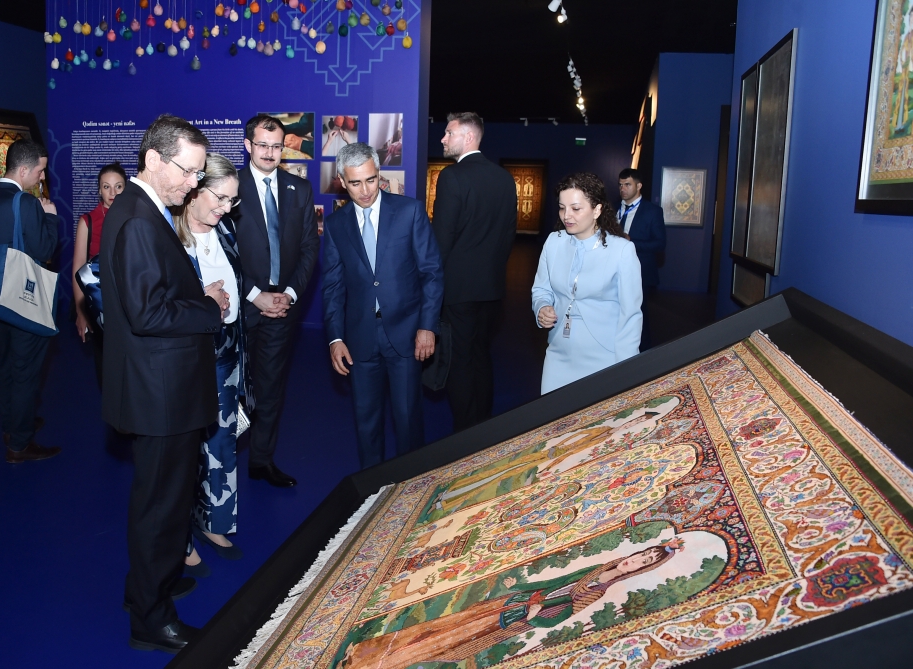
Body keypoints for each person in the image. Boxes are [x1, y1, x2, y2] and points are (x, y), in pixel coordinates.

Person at [101, 114, 228, 653]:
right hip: (160, 392)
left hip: (162, 386)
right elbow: (149, 312)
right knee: (161, 505)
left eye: (199, 174)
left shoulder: (143, 209)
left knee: (162, 498)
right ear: (154, 159)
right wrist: (208, 308)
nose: (193, 183)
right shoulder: (137, 218)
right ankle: (151, 620)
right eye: (188, 171)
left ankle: (146, 586)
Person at [337, 543, 678, 668]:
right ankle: (365, 650)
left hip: (512, 618)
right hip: (510, 602)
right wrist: (521, 587)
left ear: (642, 568)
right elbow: (557, 582)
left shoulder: (600, 590)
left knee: (443, 641)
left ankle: (374, 665)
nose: (637, 560)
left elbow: (564, 614)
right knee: (437, 626)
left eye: (645, 560)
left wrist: (535, 617)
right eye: (642, 554)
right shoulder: (599, 569)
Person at [322, 143, 443, 469]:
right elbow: (332, 287)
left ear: (379, 175)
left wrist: (427, 326)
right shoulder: (336, 225)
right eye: (355, 183)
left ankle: (412, 483)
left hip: (407, 333)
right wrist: (335, 338)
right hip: (360, 337)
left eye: (371, 180)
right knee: (366, 422)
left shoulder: (409, 211)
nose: (365, 190)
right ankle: (372, 487)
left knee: (408, 419)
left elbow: (432, 273)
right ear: (342, 182)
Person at [172, 153, 254, 572]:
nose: (226, 208)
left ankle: (215, 522)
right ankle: (181, 539)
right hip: (189, 358)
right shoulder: (169, 237)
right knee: (184, 451)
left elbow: (238, 285)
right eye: (220, 198)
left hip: (228, 352)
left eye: (232, 201)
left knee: (223, 442)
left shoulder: (226, 230)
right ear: (194, 191)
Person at [233, 114, 319, 487]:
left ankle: (261, 461)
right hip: (237, 308)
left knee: (270, 388)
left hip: (282, 309)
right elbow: (220, 252)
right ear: (248, 145)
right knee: (228, 388)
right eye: (262, 145)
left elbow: (309, 247)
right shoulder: (227, 187)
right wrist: (255, 295)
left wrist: (290, 294)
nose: (269, 153)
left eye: (276, 146)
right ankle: (218, 462)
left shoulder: (299, 189)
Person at [0, 139, 60, 464]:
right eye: (40, 170)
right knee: (25, 372)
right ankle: (20, 444)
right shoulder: (28, 204)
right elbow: (46, 251)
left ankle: (12, 425)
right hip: (24, 301)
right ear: (23, 170)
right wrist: (50, 218)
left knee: (7, 365)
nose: (42, 177)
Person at [432, 112, 517, 432]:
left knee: (460, 360)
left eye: (448, 133)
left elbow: (441, 240)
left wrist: (430, 289)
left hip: (458, 290)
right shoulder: (504, 178)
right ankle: (483, 427)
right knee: (481, 355)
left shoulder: (451, 177)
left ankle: (466, 434)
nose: (443, 138)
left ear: (468, 137)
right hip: (492, 288)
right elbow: (508, 235)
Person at [533, 172, 642, 394]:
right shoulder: (553, 242)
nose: (567, 216)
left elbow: (630, 315)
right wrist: (542, 307)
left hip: (605, 356)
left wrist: (627, 370)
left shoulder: (622, 250)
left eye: (575, 208)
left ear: (597, 210)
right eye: (562, 208)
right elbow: (541, 289)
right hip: (559, 353)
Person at [71, 162, 127, 387]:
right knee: (106, 370)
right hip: (101, 305)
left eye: (118, 186)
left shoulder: (135, 216)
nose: (112, 192)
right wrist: (80, 311)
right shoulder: (89, 221)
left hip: (131, 304)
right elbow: (78, 268)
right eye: (106, 187)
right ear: (99, 190)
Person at [617, 168, 665, 351]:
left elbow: (660, 244)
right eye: (620, 185)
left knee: (638, 314)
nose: (622, 189)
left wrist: (631, 242)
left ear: (639, 186)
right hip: (615, 271)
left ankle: (642, 355)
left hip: (640, 272)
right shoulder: (613, 209)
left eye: (627, 184)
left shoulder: (653, 211)